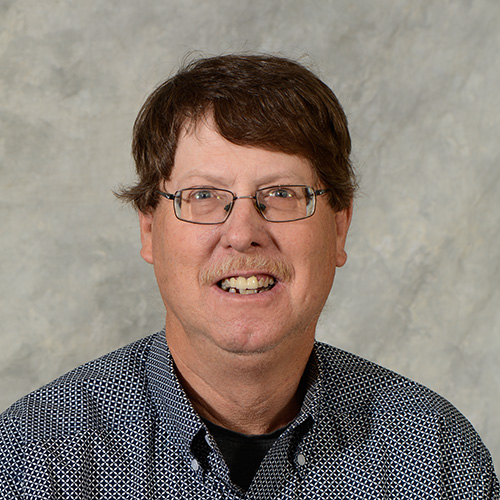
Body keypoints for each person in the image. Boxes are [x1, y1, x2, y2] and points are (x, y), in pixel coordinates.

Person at [0, 54, 498, 499]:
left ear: (340, 228)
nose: (242, 234)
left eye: (282, 194)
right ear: (150, 230)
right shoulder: (32, 460)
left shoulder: (436, 458)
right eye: (202, 196)